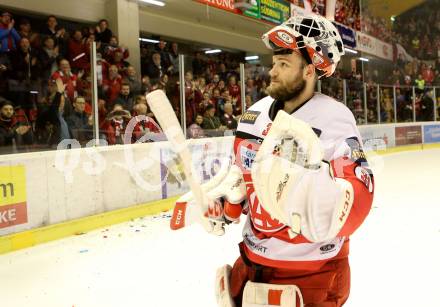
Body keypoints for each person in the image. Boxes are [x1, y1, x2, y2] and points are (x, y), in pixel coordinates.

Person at [170, 14, 374, 307]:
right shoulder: (253, 115)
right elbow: (244, 182)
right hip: (251, 267)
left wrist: (325, 199)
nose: (273, 72)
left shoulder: (334, 119)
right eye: (274, 63)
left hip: (311, 276)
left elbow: (359, 192)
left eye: (284, 64)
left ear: (309, 70)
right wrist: (226, 206)